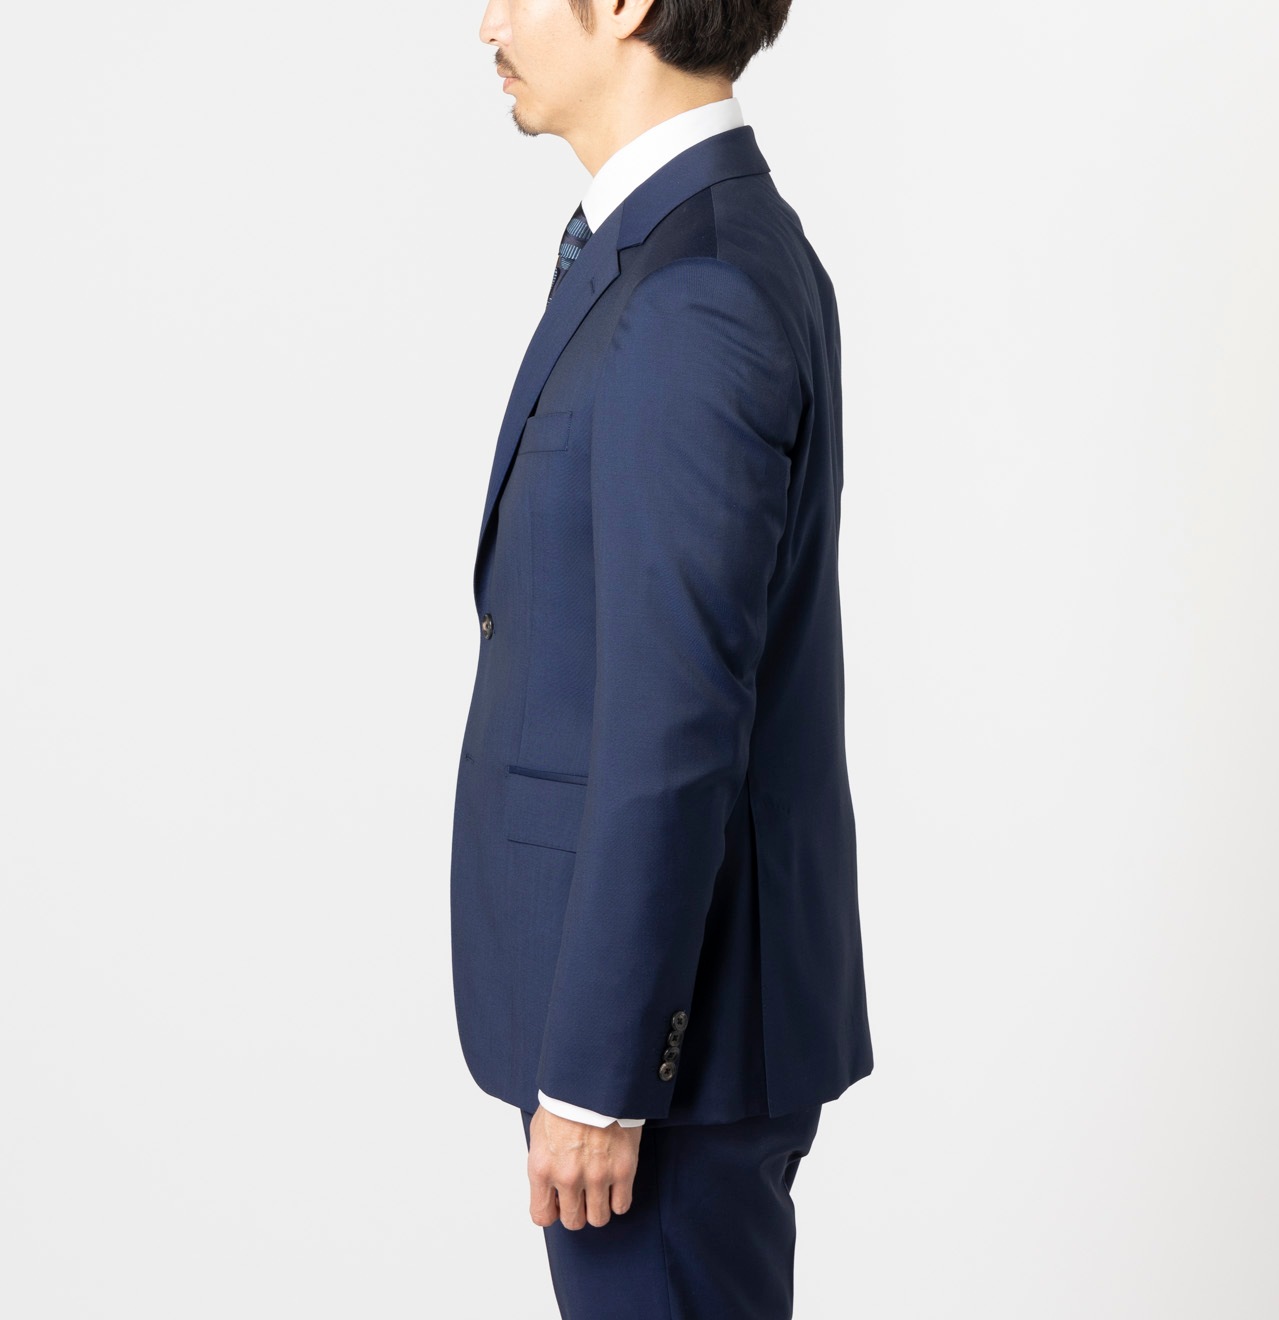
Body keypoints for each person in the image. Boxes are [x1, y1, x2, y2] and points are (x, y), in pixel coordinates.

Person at [450, 2, 874, 1314]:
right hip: (669, 1036)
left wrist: (602, 1076)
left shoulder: (696, 287)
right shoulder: (676, 249)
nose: (488, 23)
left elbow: (676, 717)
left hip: (661, 1063)